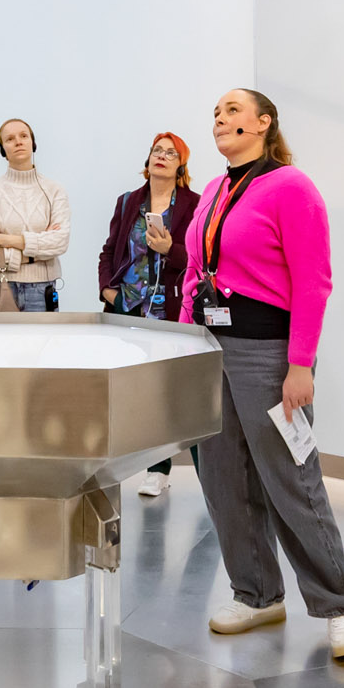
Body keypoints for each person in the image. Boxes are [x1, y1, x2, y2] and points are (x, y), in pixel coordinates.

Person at [179, 89, 344, 660]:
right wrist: (184, 342)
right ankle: (257, 594)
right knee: (223, 480)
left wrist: (300, 364)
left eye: (233, 110)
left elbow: (313, 281)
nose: (220, 118)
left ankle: (339, 605)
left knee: (292, 478)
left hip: (268, 353)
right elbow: (195, 272)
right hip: (211, 349)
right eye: (216, 113)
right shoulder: (214, 191)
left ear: (263, 123)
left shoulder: (291, 186)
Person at [96, 130, 201, 497]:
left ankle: (170, 470)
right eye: (158, 150)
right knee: (133, 392)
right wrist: (107, 290)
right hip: (127, 308)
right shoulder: (128, 202)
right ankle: (140, 465)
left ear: (181, 165)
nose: (162, 156)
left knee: (171, 393)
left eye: (171, 153)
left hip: (169, 311)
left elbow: (198, 260)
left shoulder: (194, 204)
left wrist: (171, 249)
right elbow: (109, 250)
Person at [0, 118, 70, 311]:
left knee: (44, 335)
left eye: (24, 136)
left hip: (42, 290)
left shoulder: (55, 191)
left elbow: (60, 242)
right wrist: (34, 254)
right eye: (10, 139)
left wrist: (7, 240)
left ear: (33, 144)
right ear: (3, 151)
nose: (18, 142)